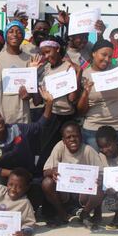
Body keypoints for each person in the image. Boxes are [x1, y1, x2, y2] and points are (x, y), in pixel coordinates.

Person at [0, 87, 53, 185]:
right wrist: (15, 174)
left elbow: (39, 126)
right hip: (7, 178)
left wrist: (49, 104)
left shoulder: (17, 128)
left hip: (28, 174)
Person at [41, 121, 104, 227]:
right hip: (65, 192)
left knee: (101, 187)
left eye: (75, 136)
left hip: (83, 193)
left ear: (81, 137)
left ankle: (85, 214)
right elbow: (45, 171)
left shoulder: (88, 150)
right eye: (68, 137)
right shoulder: (59, 147)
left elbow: (101, 173)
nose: (72, 139)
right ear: (63, 140)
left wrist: (99, 179)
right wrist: (53, 171)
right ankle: (62, 214)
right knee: (47, 183)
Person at [37, 36, 80, 174]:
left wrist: (76, 75)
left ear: (57, 49)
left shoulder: (68, 67)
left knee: (68, 152)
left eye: (48, 52)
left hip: (66, 117)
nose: (46, 56)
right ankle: (43, 179)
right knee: (46, 151)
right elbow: (38, 98)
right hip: (50, 114)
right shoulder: (45, 69)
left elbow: (72, 98)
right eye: (43, 53)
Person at [0, 20, 42, 124]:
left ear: (23, 36)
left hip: (23, 116)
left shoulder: (31, 59)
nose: (15, 35)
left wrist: (29, 91)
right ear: (5, 35)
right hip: (1, 115)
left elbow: (36, 99)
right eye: (11, 31)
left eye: (19, 32)